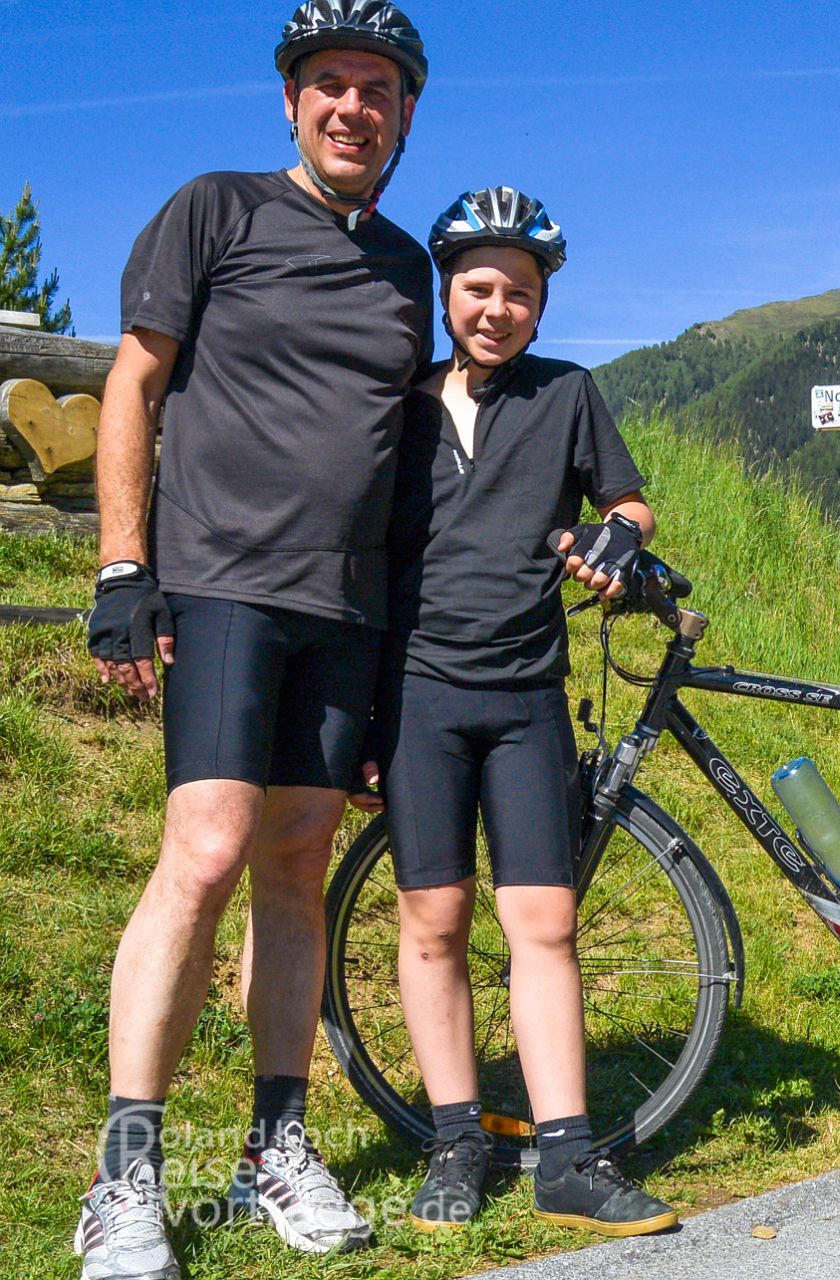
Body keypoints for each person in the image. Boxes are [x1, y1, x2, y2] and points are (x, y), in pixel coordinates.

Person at [77, 4, 432, 1275]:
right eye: (329, 84)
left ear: (404, 114)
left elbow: (398, 466)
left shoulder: (406, 264)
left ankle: (273, 1144)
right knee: (210, 843)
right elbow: (136, 378)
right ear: (291, 104)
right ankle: (125, 1175)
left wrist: (399, 656)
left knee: (297, 860)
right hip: (224, 579)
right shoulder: (214, 208)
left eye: (377, 89)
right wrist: (127, 564)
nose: (352, 106)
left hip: (347, 608)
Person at [358, 185, 675, 1236]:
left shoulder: (566, 392)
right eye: (480, 287)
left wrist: (620, 538)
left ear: (541, 306)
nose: (497, 307)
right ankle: (456, 1138)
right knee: (433, 920)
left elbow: (624, 500)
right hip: (416, 695)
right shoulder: (392, 400)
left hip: (528, 692)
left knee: (544, 923)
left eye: (520, 294)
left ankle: (566, 1155)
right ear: (448, 290)